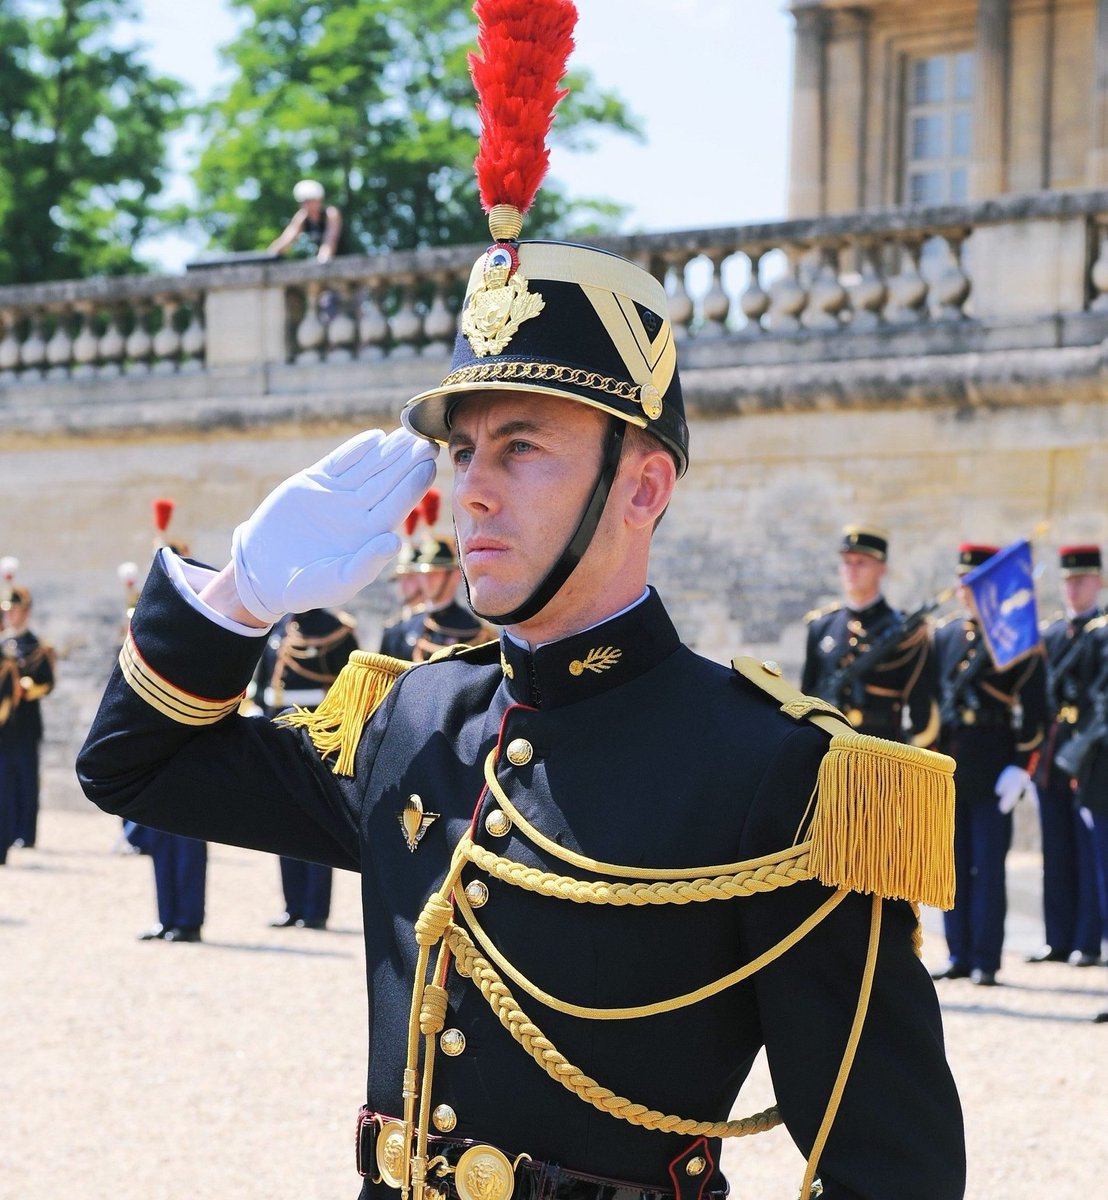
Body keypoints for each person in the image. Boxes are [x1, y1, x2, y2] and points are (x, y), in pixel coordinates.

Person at [77, 4, 965, 1196]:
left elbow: (888, 1169)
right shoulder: (414, 723)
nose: (469, 494)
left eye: (523, 450)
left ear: (642, 485)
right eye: (464, 451)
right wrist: (236, 596)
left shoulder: (783, 782)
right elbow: (133, 770)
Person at [931, 544, 1048, 987]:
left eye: (973, 583)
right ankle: (958, 952)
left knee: (988, 866)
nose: (964, 590)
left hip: (995, 759)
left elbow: (1036, 710)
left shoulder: (1016, 637)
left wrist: (1021, 766)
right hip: (950, 765)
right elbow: (932, 709)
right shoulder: (944, 637)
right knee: (951, 865)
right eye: (962, 581)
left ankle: (986, 958)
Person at [250, 607, 360, 929]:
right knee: (285, 818)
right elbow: (263, 683)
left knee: (316, 818)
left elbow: (348, 688)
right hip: (278, 727)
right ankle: (293, 904)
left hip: (317, 731)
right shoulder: (281, 626)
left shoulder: (336, 629)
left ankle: (315, 909)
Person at [132, 506, 210, 943]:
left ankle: (189, 919)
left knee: (188, 837)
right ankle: (167, 915)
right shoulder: (147, 621)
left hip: (190, 739)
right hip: (155, 742)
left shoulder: (202, 625)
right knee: (161, 837)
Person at [1026, 545, 1104, 967]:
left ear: (1100, 582)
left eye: (1083, 580)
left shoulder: (1103, 631)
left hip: (1087, 755)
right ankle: (1057, 936)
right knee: (1054, 850)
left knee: (1089, 852)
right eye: (1069, 580)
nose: (1074, 588)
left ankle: (1088, 940)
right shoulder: (1053, 634)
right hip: (1052, 752)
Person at [802, 525, 939, 743]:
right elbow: (807, 696)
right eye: (847, 562)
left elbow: (920, 711)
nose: (851, 570)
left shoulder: (906, 631)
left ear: (881, 568)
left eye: (861, 563)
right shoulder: (822, 626)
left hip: (882, 748)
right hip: (827, 748)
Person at [0, 566, 56, 856]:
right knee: (3, 781)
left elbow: (47, 683)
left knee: (25, 778)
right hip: (3, 725)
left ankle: (26, 833)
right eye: (9, 610)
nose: (12, 615)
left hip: (25, 722)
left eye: (16, 610)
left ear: (26, 612)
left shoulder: (37, 646)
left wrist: (27, 687)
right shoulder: (2, 643)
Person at [379, 535, 494, 663]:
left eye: (434, 574)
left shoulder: (473, 631)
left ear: (455, 575)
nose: (427, 580)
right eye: (423, 574)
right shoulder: (404, 626)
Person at [268, 179, 344, 263]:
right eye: (302, 201)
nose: (305, 205)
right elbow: (286, 240)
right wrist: (268, 256)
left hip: (345, 262)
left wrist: (321, 261)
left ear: (319, 200)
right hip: (324, 265)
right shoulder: (302, 217)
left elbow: (330, 242)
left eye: (309, 201)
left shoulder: (331, 214)